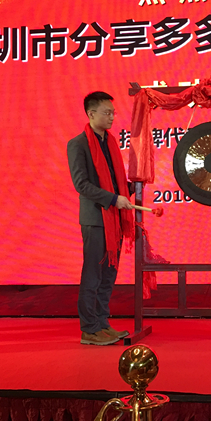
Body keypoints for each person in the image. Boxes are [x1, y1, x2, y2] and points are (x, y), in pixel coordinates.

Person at [67, 91, 134, 345]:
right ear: (91, 113)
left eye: (113, 113)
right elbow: (81, 184)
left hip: (114, 219)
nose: (112, 117)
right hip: (95, 219)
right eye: (107, 113)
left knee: (108, 276)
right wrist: (113, 199)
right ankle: (89, 329)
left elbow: (115, 181)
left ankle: (103, 324)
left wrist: (131, 188)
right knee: (93, 275)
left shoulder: (111, 143)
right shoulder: (78, 144)